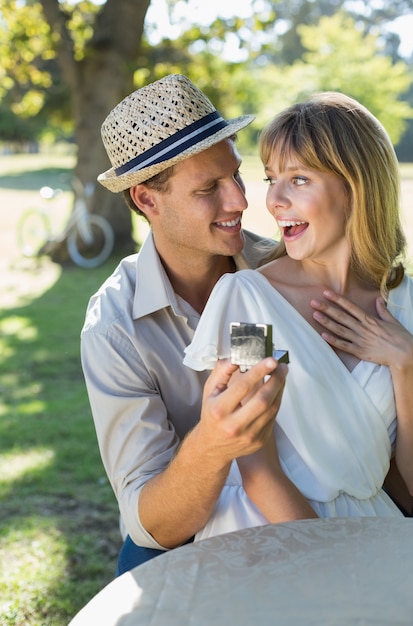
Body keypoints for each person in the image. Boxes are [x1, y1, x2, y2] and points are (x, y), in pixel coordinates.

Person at [80, 74, 316, 576]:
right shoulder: (113, 328)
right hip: (184, 536)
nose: (240, 202)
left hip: (302, 498)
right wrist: (214, 443)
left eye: (236, 175)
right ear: (147, 200)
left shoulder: (279, 270)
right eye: (209, 188)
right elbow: (153, 526)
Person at [184, 91, 413, 540]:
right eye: (272, 178)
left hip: (375, 533)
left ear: (356, 187)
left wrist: (407, 363)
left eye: (299, 180)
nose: (274, 200)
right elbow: (256, 467)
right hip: (270, 532)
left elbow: (411, 485)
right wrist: (331, 564)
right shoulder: (249, 301)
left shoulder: (405, 302)